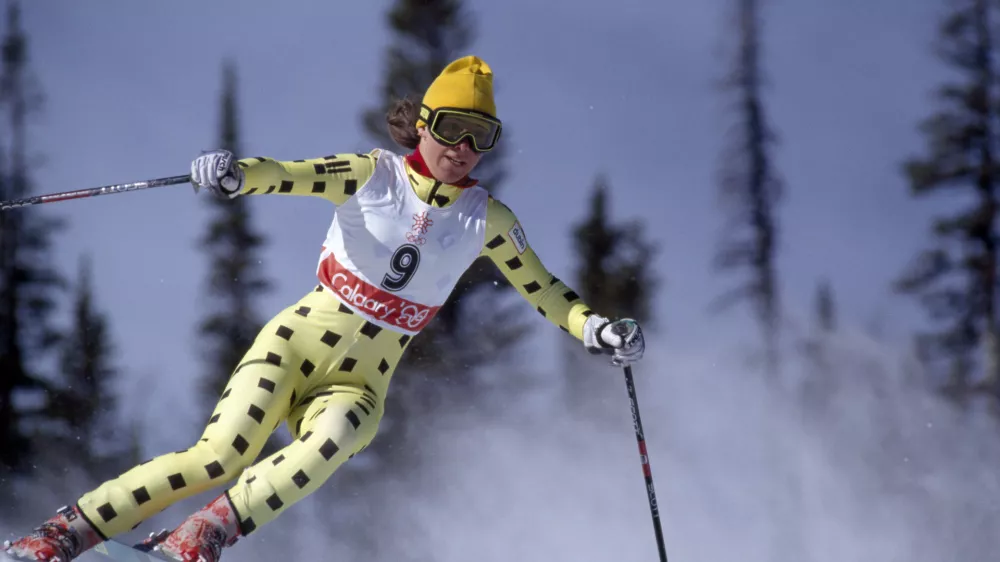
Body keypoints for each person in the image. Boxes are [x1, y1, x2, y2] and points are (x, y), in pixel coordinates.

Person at [3, 55, 645, 562]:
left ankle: (197, 541)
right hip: (295, 343)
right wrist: (232, 172)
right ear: (424, 123)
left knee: (336, 438)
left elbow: (545, 289)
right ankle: (62, 536)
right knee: (220, 457)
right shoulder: (374, 173)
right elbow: (287, 173)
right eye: (453, 128)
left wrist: (597, 329)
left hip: (361, 381)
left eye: (483, 137)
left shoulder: (487, 220)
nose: (464, 148)